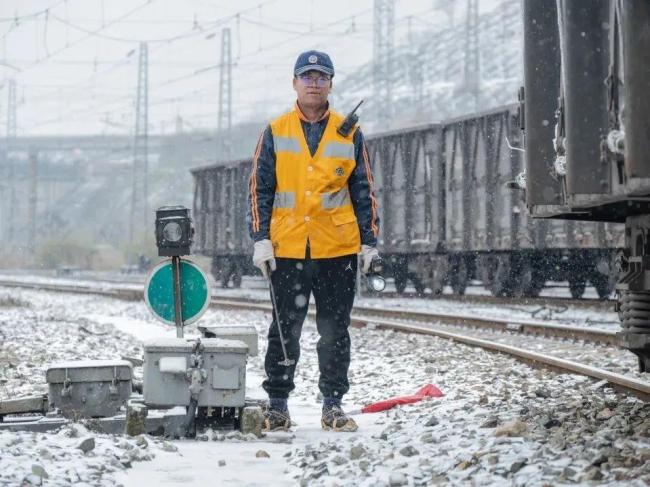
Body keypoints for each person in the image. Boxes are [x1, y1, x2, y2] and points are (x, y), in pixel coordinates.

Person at [246, 50, 380, 432]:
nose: (314, 83)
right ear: (294, 83)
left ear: (331, 84)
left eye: (321, 77)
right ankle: (277, 405)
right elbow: (259, 190)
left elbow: (364, 190)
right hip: (287, 249)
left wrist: (369, 242)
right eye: (307, 76)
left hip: (336, 249)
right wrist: (260, 238)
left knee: (335, 331)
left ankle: (333, 405)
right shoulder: (275, 130)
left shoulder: (349, 132)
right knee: (284, 330)